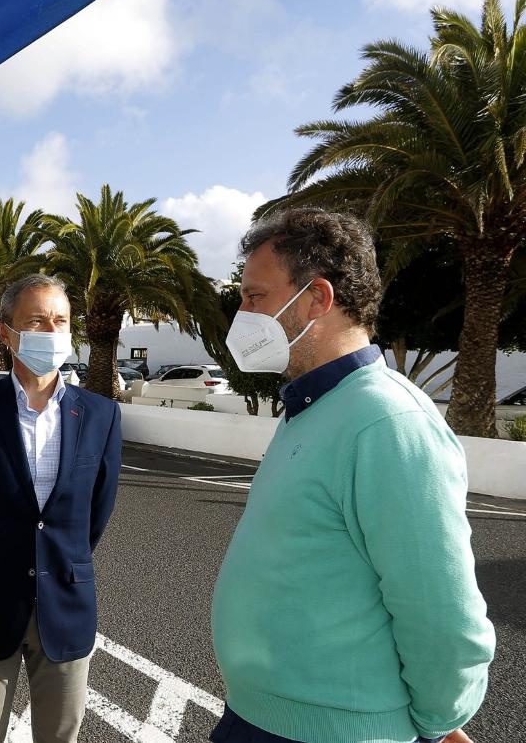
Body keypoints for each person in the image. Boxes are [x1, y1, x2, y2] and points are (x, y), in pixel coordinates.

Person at [211, 208, 495, 743]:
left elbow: (440, 609)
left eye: (255, 297)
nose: (242, 315)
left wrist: (440, 720)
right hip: (262, 718)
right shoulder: (316, 406)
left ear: (317, 299)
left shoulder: (387, 421)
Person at [0, 274, 123, 743]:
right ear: (5, 332)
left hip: (66, 601)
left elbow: (97, 511)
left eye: (60, 321)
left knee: (61, 735)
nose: (50, 331)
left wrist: (56, 555)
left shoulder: (100, 414)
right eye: (36, 321)